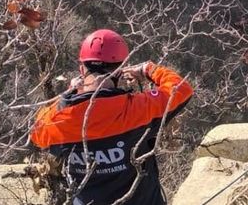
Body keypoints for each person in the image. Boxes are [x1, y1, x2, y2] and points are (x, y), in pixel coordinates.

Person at [30, 29, 193, 205]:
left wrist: (70, 94)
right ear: (120, 70)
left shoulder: (60, 120)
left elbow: (37, 131)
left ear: (82, 69)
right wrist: (148, 69)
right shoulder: (137, 110)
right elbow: (181, 89)